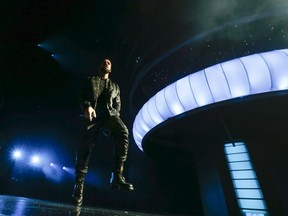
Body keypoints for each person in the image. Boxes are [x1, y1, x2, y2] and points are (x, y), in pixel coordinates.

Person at [72, 58, 134, 207]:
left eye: (109, 63)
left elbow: (117, 107)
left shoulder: (115, 87)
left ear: (111, 69)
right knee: (84, 150)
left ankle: (117, 175)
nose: (106, 63)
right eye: (104, 62)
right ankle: (78, 187)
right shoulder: (89, 80)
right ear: (99, 66)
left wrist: (112, 124)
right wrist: (87, 106)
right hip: (91, 118)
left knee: (123, 131)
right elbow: (81, 96)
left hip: (109, 117)